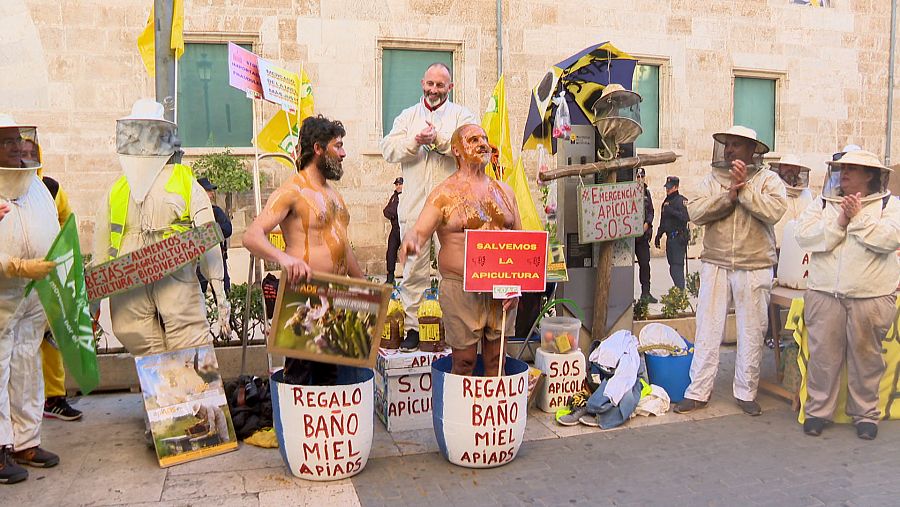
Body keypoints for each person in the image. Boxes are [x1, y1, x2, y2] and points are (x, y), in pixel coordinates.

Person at [91, 99, 229, 356]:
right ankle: (187, 393)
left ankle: (170, 392)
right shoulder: (184, 181)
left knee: (154, 360)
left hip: (133, 278)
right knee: (188, 352)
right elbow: (210, 240)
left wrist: (92, 303)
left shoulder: (116, 189)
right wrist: (219, 292)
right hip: (168, 274)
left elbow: (99, 256)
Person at [242, 115, 363, 385]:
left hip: (335, 298)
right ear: (318, 148)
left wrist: (365, 291)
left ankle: (328, 429)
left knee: (331, 382)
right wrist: (284, 259)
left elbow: (343, 245)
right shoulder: (292, 190)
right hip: (303, 298)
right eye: (338, 146)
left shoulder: (334, 194)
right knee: (300, 382)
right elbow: (251, 236)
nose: (343, 153)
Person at [675, 126, 786, 416]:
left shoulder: (768, 180)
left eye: (737, 145)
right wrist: (728, 197)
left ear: (752, 150)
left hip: (755, 265)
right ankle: (697, 392)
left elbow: (774, 211)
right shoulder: (712, 180)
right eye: (727, 145)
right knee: (707, 329)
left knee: (752, 330)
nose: (730, 150)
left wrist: (745, 190)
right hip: (716, 262)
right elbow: (695, 212)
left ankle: (746, 392)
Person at [399, 124, 521, 376]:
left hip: (501, 289)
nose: (482, 143)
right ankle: (463, 414)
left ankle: (492, 412)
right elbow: (421, 231)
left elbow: (520, 243)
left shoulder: (505, 192)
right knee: (464, 361)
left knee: (498, 359)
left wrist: (516, 286)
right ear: (456, 150)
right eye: (473, 139)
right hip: (460, 287)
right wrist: (411, 241)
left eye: (485, 138)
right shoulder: (444, 194)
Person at [795, 149, 900, 440]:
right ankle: (817, 412)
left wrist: (857, 219)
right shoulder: (824, 203)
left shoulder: (889, 205)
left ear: (869, 175)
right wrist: (840, 220)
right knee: (822, 356)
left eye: (852, 169)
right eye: (842, 169)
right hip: (825, 294)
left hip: (871, 297)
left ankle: (866, 415)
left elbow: (888, 239)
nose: (845, 174)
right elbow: (804, 236)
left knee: (867, 359)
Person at [381, 63, 477, 351]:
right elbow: (388, 149)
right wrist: (414, 141)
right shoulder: (408, 116)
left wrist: (440, 140)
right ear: (422, 83)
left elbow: (472, 146)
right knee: (413, 268)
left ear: (450, 87)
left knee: (455, 268)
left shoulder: (462, 115)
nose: (434, 90)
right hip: (415, 206)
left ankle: (454, 327)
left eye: (440, 85)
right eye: (430, 84)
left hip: (453, 207)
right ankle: (412, 328)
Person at [0, 115, 61, 483]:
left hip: (33, 296)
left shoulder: (36, 186)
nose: (19, 147)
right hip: (2, 295)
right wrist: (15, 265)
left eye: (22, 141)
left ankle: (25, 440)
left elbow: (52, 228)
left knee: (26, 364)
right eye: (8, 143)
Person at [196, 177, 233, 294]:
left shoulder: (216, 211)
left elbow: (227, 229)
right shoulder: (192, 214)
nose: (212, 194)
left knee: (223, 292)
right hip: (197, 261)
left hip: (217, 257)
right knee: (197, 296)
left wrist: (207, 234)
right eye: (208, 191)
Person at [768, 155, 813, 252]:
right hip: (776, 247)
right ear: (779, 168)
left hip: (799, 248)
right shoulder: (771, 189)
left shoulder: (807, 193)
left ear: (799, 170)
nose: (790, 169)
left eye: (794, 167)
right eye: (786, 166)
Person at [654, 176, 690, 290]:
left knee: (677, 267)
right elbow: (663, 220)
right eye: (667, 187)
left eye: (670, 187)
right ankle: (678, 290)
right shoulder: (666, 201)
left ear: (676, 187)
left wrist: (672, 211)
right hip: (670, 238)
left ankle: (680, 293)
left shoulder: (681, 201)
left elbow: (686, 217)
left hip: (678, 238)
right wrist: (658, 235)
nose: (667, 190)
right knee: (672, 267)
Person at [634, 167, 655, 302]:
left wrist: (646, 224)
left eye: (642, 176)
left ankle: (645, 293)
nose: (640, 179)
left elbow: (651, 211)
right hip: (630, 237)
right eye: (637, 176)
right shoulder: (629, 191)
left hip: (642, 237)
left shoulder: (646, 193)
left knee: (645, 264)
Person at [383, 177, 403, 284]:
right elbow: (386, 210)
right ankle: (390, 277)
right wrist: (394, 214)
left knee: (409, 253)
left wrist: (395, 213)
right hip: (395, 228)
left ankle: (411, 278)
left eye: (400, 184)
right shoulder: (394, 197)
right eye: (396, 184)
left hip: (405, 227)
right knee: (391, 252)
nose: (398, 186)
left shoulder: (407, 195)